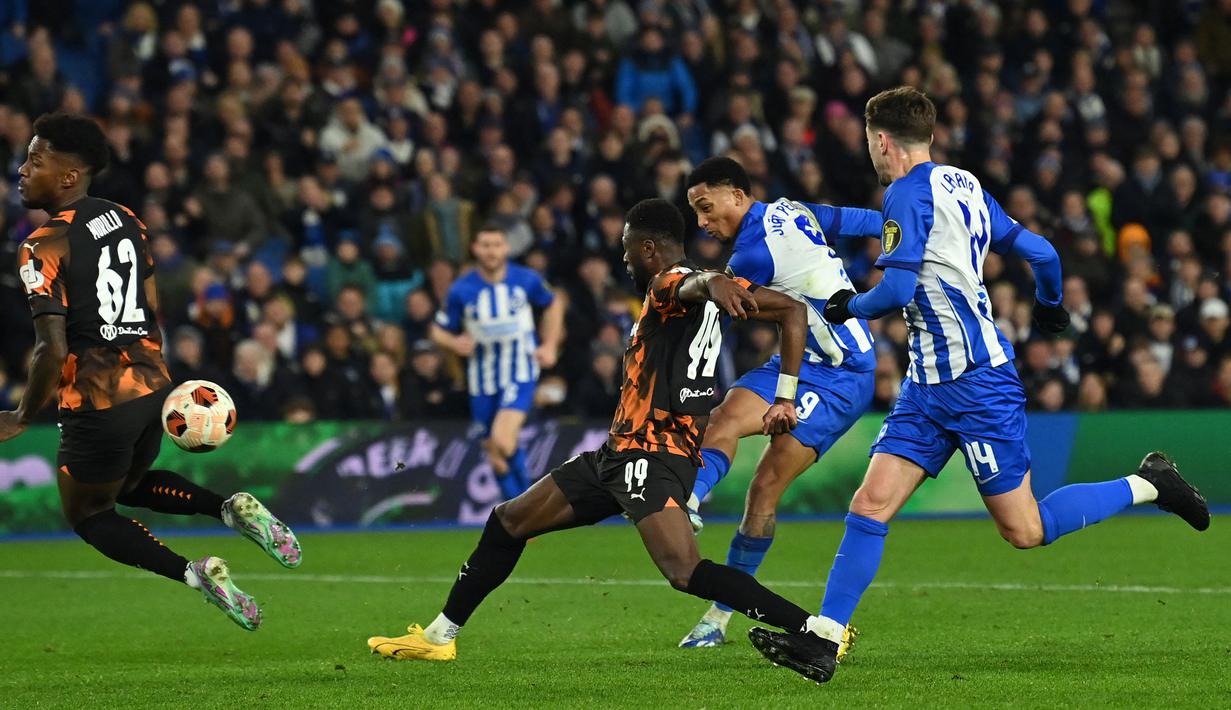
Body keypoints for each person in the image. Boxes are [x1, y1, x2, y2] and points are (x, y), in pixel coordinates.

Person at [750, 87, 1210, 683]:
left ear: (882, 141)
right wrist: (1050, 305)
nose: (870, 151)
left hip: (975, 385)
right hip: (925, 386)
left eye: (869, 142)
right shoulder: (963, 184)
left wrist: (844, 306)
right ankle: (825, 639)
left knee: (1025, 530)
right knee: (869, 504)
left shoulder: (905, 192)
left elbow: (895, 292)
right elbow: (1042, 252)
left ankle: (1150, 484)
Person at [366, 198, 840, 684]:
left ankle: (817, 631)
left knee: (684, 571)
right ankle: (439, 637)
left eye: (628, 247)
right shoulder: (709, 285)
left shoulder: (668, 284)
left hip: (651, 455)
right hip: (618, 454)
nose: (625, 258)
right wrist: (782, 390)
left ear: (649, 248)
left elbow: (691, 285)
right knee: (509, 521)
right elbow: (791, 311)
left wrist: (712, 283)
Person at [0, 113, 303, 632]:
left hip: (98, 399)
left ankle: (195, 574)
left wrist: (23, 414)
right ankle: (228, 508)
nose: (23, 170)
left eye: (35, 160)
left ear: (69, 175)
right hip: (152, 384)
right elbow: (150, 303)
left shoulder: (42, 245)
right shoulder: (125, 218)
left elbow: (50, 347)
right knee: (129, 482)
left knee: (90, 515)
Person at [676, 156, 882, 648]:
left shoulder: (752, 255)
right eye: (696, 212)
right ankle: (689, 501)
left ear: (737, 195)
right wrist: (907, 233)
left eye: (706, 207)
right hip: (801, 355)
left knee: (765, 488)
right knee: (724, 418)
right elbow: (861, 220)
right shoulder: (792, 210)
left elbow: (721, 315)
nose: (702, 222)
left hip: (843, 375)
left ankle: (719, 610)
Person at [430, 226, 564, 500]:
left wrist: (550, 344)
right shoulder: (461, 289)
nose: (491, 251)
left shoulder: (526, 279)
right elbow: (437, 330)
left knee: (502, 439)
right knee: (495, 454)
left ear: (506, 248)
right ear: (475, 249)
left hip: (520, 371)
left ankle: (532, 505)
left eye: (496, 245)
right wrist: (454, 342)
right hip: (481, 379)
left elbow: (553, 304)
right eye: (485, 245)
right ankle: (520, 512)